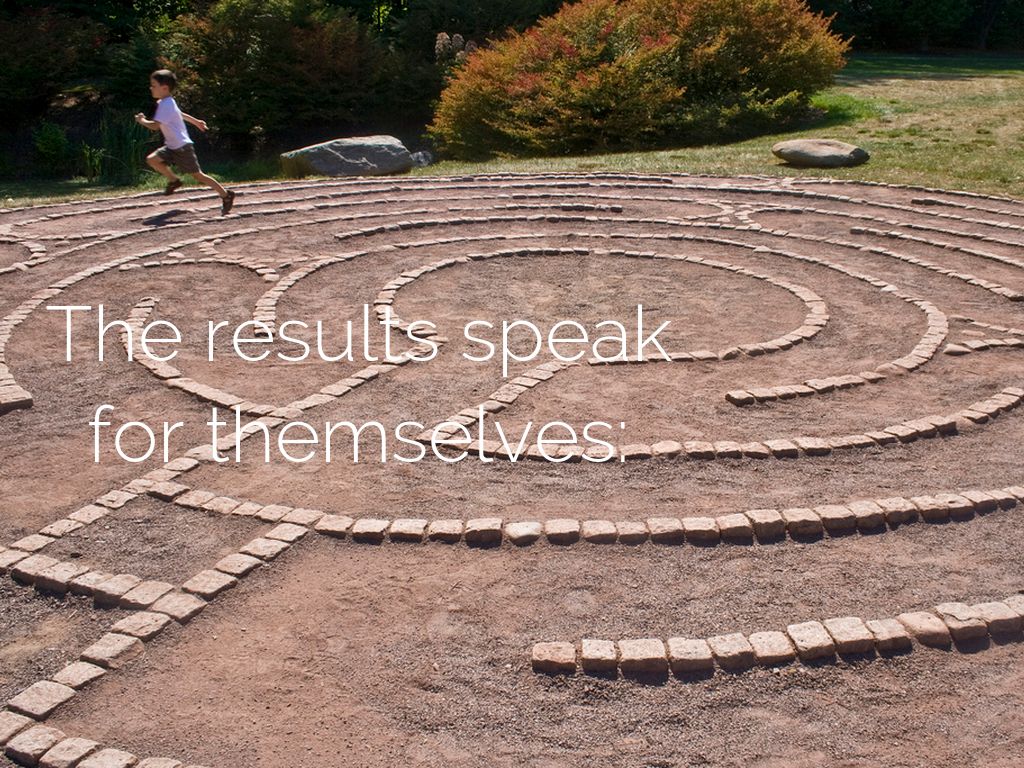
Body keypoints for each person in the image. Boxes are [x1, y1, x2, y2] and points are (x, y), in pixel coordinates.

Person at [135, 69, 235, 215]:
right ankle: (174, 180)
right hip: (171, 146)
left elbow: (155, 126)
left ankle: (226, 195)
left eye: (154, 85)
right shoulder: (166, 102)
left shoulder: (166, 104)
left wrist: (142, 120)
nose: (151, 88)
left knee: (198, 176)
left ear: (165, 88)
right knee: (152, 160)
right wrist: (196, 122)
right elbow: (179, 114)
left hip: (182, 147)